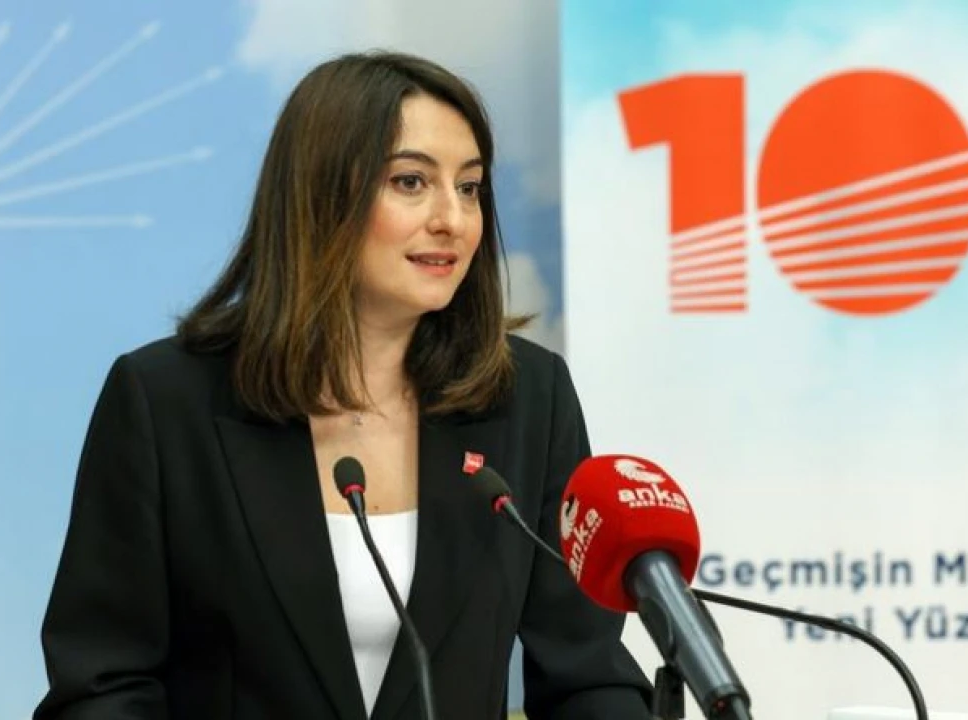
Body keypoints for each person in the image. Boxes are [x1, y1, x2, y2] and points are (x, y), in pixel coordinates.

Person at [32, 51, 654, 720]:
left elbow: (587, 675)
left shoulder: (528, 397)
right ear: (321, 196)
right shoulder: (166, 401)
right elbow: (102, 686)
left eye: (470, 187)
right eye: (412, 182)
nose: (453, 218)